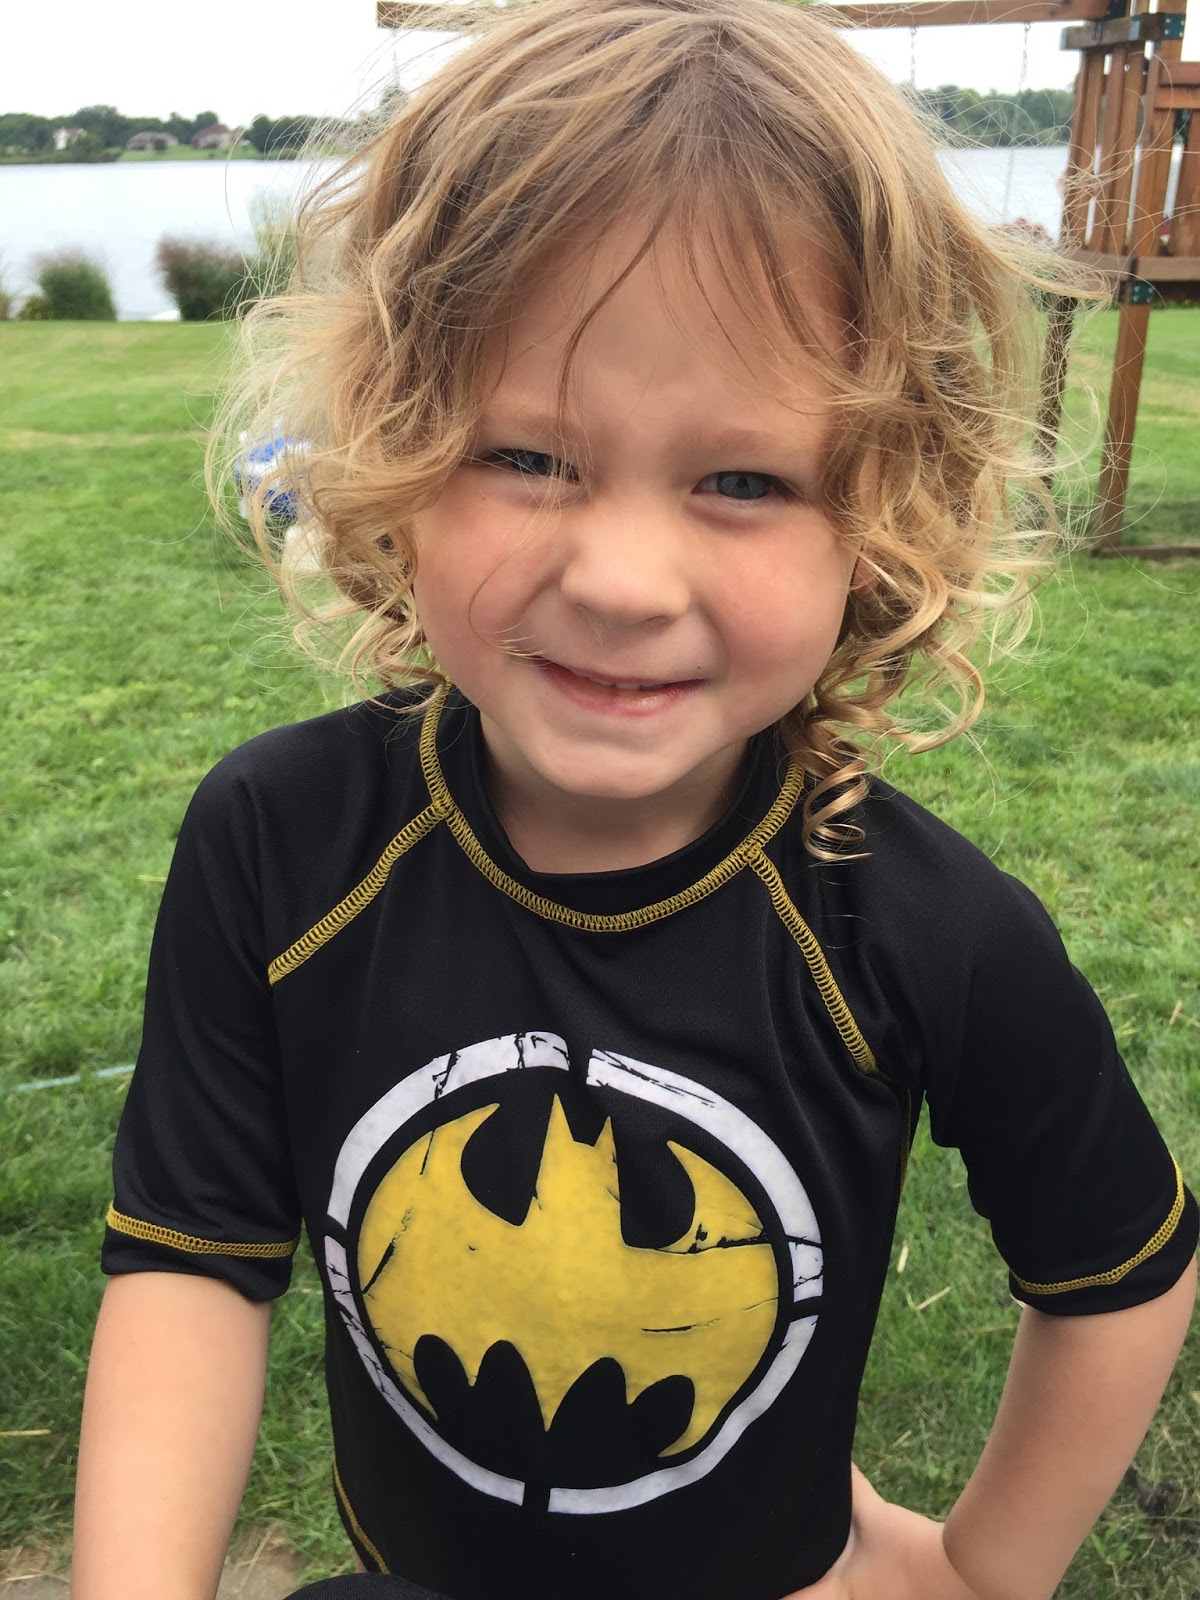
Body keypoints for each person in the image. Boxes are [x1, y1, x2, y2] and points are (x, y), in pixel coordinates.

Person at [72, 2, 1197, 1597]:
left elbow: (1119, 1269)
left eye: (743, 481)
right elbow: (191, 1263)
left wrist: (978, 1574)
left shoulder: (924, 933)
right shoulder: (279, 843)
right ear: (395, 450)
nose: (620, 579)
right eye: (528, 456)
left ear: (884, 515)